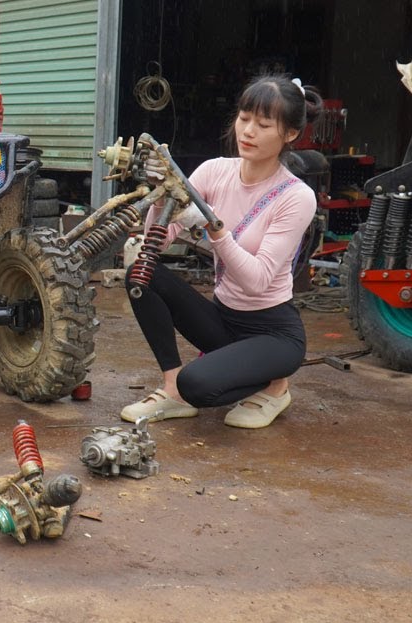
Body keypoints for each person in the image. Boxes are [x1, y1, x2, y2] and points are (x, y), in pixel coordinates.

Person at [119, 74, 320, 429]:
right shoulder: (214, 171)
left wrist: (217, 231)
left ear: (289, 134)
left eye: (263, 124)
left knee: (197, 384)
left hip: (273, 333)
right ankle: (171, 390)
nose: (248, 131)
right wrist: (163, 199)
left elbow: (257, 281)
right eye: (244, 118)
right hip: (223, 320)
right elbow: (160, 239)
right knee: (141, 271)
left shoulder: (296, 196)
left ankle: (275, 386)